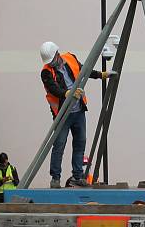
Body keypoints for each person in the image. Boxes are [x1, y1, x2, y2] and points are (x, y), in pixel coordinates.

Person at [39, 41, 117, 188]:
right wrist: (68, 93)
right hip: (62, 114)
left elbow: (83, 71)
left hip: (78, 111)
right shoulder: (46, 72)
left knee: (80, 143)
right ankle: (55, 178)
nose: (51, 64)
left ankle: (77, 176)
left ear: (57, 54)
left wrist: (101, 75)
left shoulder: (70, 58)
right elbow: (53, 88)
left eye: (52, 60)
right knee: (59, 146)